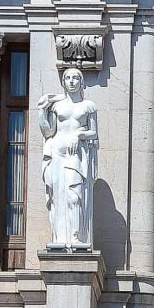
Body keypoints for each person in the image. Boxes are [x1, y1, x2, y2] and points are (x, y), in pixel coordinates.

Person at [38, 67, 98, 248]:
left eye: (75, 78)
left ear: (81, 82)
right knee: (58, 197)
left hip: (76, 157)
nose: (71, 81)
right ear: (63, 82)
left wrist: (80, 135)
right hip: (57, 153)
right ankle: (60, 239)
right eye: (68, 78)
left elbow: (94, 133)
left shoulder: (88, 106)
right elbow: (48, 131)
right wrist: (42, 111)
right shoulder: (58, 106)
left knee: (75, 196)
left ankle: (76, 236)